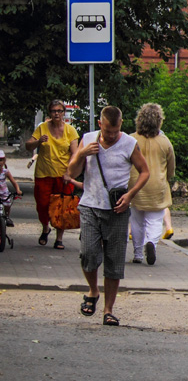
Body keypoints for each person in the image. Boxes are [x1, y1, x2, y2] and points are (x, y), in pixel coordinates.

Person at [67, 105, 150, 327]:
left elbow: (145, 171)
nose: (111, 136)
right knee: (88, 254)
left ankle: (108, 310)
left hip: (117, 210)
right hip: (90, 206)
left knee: (114, 260)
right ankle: (93, 291)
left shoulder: (129, 144)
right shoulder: (88, 139)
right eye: (106, 131)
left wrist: (130, 195)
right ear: (100, 124)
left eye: (114, 131)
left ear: (120, 125)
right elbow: (71, 172)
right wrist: (82, 154)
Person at [25, 99, 80, 249]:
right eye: (54, 111)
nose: (57, 113)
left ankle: (59, 238)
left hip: (63, 176)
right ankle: (45, 228)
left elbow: (75, 154)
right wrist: (38, 142)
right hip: (44, 174)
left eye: (59, 111)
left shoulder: (70, 130)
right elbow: (28, 145)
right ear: (49, 112)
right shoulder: (42, 128)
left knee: (62, 207)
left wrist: (69, 172)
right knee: (42, 206)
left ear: (63, 113)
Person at [128, 103, 175, 266]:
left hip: (135, 185)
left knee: (136, 220)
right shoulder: (164, 142)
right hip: (157, 186)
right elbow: (171, 167)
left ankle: (137, 254)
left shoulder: (131, 139)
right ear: (159, 121)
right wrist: (167, 178)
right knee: (155, 220)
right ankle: (152, 243)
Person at [0, 149, 23, 227]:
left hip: (4, 193)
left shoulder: (5, 172)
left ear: (4, 161)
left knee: (7, 204)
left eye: (1, 160)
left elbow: (14, 182)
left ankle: (7, 217)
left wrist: (18, 190)